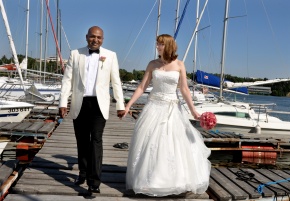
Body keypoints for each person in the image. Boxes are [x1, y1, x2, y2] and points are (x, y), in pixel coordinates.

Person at [122, 34, 211, 197]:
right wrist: (128, 105)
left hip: (172, 108)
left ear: (168, 45)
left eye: (160, 44)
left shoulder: (179, 65)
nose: (157, 46)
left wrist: (193, 111)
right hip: (154, 107)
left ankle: (174, 181)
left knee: (173, 144)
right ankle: (149, 181)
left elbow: (184, 89)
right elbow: (142, 87)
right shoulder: (152, 64)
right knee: (150, 142)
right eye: (157, 43)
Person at [59, 26, 125, 194]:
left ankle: (94, 182)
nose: (96, 40)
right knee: (82, 141)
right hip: (79, 103)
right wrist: (62, 103)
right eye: (93, 36)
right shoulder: (75, 54)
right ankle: (82, 172)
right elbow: (67, 80)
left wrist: (120, 105)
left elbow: (116, 82)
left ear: (103, 39)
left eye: (99, 37)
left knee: (96, 140)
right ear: (86, 37)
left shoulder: (110, 56)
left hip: (99, 105)